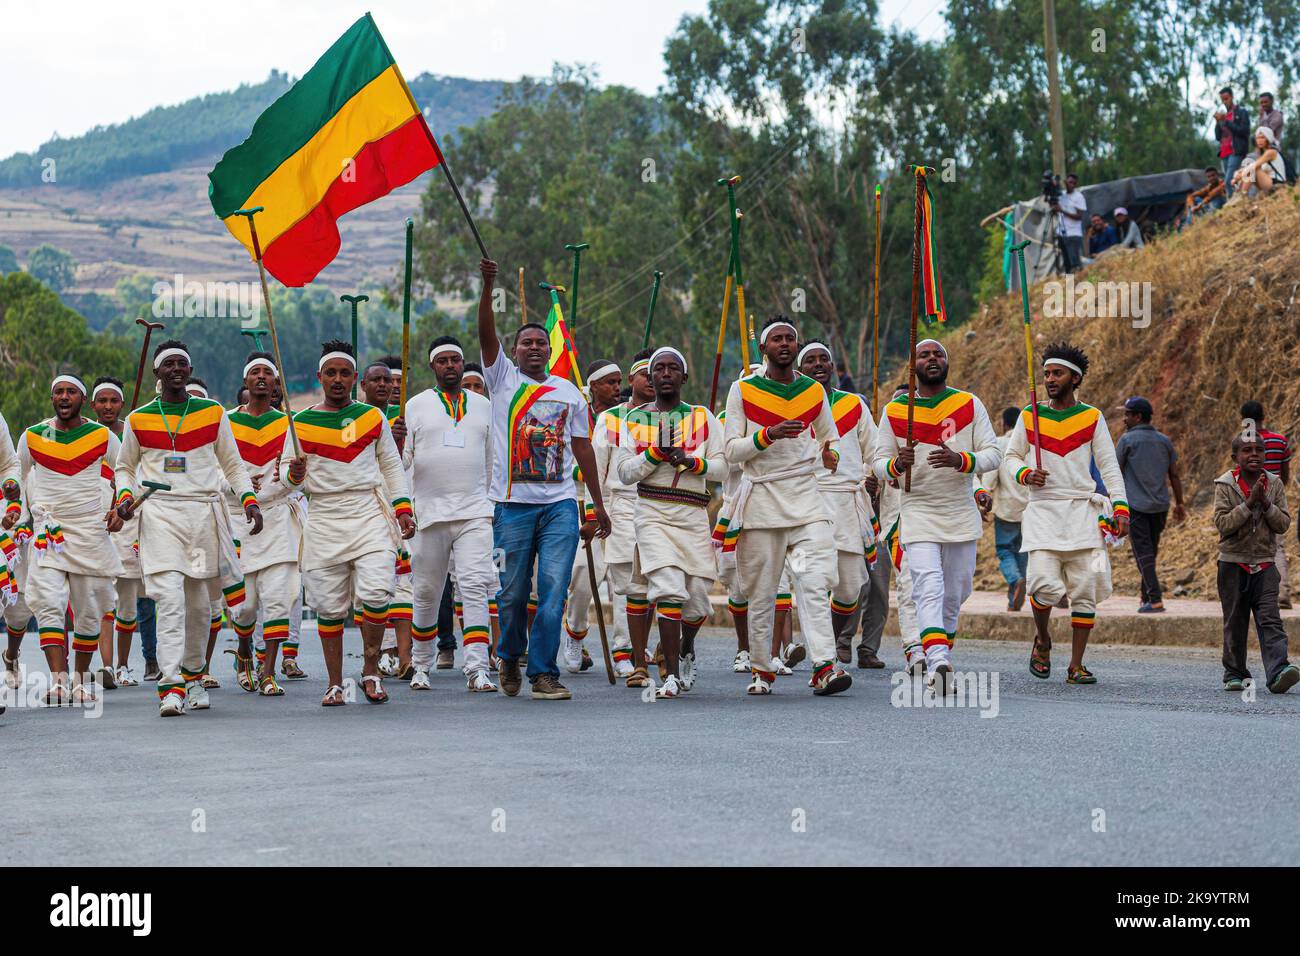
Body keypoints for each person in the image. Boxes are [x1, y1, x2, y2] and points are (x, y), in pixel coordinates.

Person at [474, 258, 609, 701]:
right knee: (512, 593)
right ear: (513, 352)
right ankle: (509, 655)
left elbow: (584, 449)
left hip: (559, 508)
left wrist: (598, 505)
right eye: (525, 343)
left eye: (540, 343)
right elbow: (485, 333)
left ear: (549, 351)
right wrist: (488, 285)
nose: (533, 348)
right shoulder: (501, 380)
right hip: (511, 509)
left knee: (553, 591)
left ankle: (544, 673)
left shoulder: (570, 393)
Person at [114, 340, 263, 717]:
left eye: (183, 364)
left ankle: (194, 676)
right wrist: (125, 496)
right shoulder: (138, 419)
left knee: (199, 606)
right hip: (160, 516)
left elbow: (232, 465)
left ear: (190, 370)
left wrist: (249, 500)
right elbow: (124, 468)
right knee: (169, 599)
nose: (177, 369)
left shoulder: (212, 413)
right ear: (157, 372)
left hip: (202, 516)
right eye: (169, 364)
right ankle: (170, 685)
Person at [717, 316, 851, 697]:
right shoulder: (742, 389)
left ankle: (824, 666)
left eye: (790, 338)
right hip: (762, 507)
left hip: (807, 504)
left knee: (813, 582)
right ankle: (762, 668)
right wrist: (767, 435)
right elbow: (731, 451)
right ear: (764, 348)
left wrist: (831, 457)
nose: (784, 344)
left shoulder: (813, 390)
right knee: (762, 594)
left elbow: (830, 440)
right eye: (776, 339)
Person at [283, 340, 413, 706]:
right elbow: (287, 479)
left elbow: (391, 467)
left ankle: (371, 671)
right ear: (319, 377)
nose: (337, 379)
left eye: (344, 373)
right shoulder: (299, 423)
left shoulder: (371, 417)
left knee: (377, 592)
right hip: (324, 517)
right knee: (329, 606)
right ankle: (335, 683)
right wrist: (294, 474)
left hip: (368, 512)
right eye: (331, 373)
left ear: (355, 378)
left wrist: (403, 508)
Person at [872, 339, 1000, 692]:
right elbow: (878, 462)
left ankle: (939, 651)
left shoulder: (968, 403)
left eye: (938, 354)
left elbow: (993, 453)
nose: (932, 359)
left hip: (959, 511)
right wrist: (896, 464)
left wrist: (962, 460)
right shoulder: (896, 411)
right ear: (912, 366)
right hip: (918, 510)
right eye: (924, 354)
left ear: (947, 362)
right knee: (927, 585)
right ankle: (939, 662)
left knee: (956, 592)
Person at [1006, 343, 1129, 685]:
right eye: (1046, 373)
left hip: (1084, 515)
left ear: (1075, 378)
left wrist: (1121, 507)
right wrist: (1025, 474)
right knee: (1043, 584)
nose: (1049, 379)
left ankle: (1076, 665)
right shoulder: (1030, 415)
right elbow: (1010, 458)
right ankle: (1043, 640)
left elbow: (1109, 466)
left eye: (1057, 373)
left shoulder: (1092, 417)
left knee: (1086, 588)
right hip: (1042, 512)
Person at [614, 347, 723, 698]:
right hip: (653, 513)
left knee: (697, 599)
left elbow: (723, 467)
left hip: (693, 515)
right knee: (668, 587)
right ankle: (671, 676)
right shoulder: (632, 419)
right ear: (649, 376)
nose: (664, 373)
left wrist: (692, 462)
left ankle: (686, 646)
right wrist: (654, 454)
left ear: (684, 377)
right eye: (658, 368)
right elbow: (624, 472)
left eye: (672, 368)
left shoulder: (704, 417)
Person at [13, 374, 123, 703]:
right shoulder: (33, 436)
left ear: (82, 399)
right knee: (48, 605)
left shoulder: (102, 435)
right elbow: (16, 477)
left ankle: (79, 681)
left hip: (90, 533)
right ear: (52, 398)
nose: (64, 397)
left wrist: (121, 507)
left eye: (71, 392)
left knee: (89, 611)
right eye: (58, 392)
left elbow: (126, 471)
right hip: (49, 533)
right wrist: (17, 514)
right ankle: (58, 682)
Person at [403, 335, 498, 693]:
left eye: (455, 360)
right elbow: (403, 462)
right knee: (427, 591)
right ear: (432, 366)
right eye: (442, 361)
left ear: (462, 362)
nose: (450, 366)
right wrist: (396, 444)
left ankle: (477, 668)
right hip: (429, 514)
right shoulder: (415, 405)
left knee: (474, 586)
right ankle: (420, 664)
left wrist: (489, 504)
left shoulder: (484, 405)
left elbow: (491, 461)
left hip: (475, 512)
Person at [797, 342, 881, 666]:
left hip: (847, 502)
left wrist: (875, 475)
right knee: (812, 582)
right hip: (808, 501)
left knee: (849, 588)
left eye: (824, 359)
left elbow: (875, 450)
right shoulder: (791, 405)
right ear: (800, 369)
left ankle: (829, 644)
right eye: (810, 360)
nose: (818, 364)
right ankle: (824, 658)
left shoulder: (854, 404)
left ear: (832, 367)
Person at [223, 352, 301, 696]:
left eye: (267, 373)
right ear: (245, 381)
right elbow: (215, 470)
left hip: (277, 516)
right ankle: (243, 651)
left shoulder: (289, 424)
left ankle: (268, 672)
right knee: (244, 606)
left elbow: (292, 475)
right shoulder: (225, 422)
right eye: (254, 372)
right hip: (237, 518)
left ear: (275, 383)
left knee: (278, 596)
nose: (261, 377)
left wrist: (293, 475)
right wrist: (238, 487)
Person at [1213, 433, 1298, 694]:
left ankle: (1278, 671)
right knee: (1235, 621)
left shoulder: (1274, 484)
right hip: (1232, 563)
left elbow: (1283, 524)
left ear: (1265, 455)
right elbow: (1223, 524)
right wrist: (1249, 503)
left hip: (1264, 563)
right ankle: (1234, 673)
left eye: (1259, 450)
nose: (1254, 455)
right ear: (1235, 457)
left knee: (1270, 619)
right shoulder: (1225, 485)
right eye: (1247, 450)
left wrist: (1266, 503)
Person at [563, 358, 623, 675]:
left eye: (619, 382)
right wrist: (590, 471)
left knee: (627, 581)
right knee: (585, 575)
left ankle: (627, 649)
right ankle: (575, 635)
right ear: (594, 386)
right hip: (578, 504)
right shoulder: (576, 416)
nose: (617, 388)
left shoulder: (626, 417)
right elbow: (564, 462)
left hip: (621, 504)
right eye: (611, 382)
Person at [90, 376, 143, 687]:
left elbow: (143, 474)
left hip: (127, 523)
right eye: (102, 401)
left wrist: (125, 486)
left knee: (127, 601)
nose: (108, 406)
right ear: (93, 405)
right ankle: (107, 666)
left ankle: (124, 666)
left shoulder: (134, 434)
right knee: (102, 598)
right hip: (94, 523)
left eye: (113, 401)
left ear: (122, 404)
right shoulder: (86, 434)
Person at [1116, 396, 1186, 613]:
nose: (1124, 419)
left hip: (1136, 506)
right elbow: (1174, 475)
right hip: (1160, 506)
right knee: (1149, 552)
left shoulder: (1126, 441)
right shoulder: (1164, 441)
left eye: (1127, 414)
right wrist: (1180, 503)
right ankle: (1145, 596)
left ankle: (1155, 599)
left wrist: (1112, 502)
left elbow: (1115, 472)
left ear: (1138, 417)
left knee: (1143, 553)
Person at [1241, 400, 1291, 607]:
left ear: (1244, 420)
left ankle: (1252, 593)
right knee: (1276, 546)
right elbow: (1285, 474)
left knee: (1248, 545)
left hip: (1250, 497)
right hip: (1274, 498)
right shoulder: (1280, 441)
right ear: (1264, 416)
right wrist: (1276, 490)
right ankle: (1282, 594)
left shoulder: (1243, 442)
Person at [984, 406, 1030, 611]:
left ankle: (1015, 580)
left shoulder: (1000, 444)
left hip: (1006, 510)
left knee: (1004, 550)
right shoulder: (1030, 446)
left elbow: (989, 477)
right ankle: (1014, 601)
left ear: (1004, 424)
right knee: (1022, 553)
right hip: (1028, 511)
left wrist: (984, 498)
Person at [1214, 87, 1251, 197]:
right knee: (1233, 182)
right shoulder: (1224, 115)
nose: (1224, 101)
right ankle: (1239, 201)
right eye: (1222, 99)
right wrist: (1218, 122)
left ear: (1232, 97)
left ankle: (1232, 204)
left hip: (1236, 151)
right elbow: (1218, 137)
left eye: (1226, 98)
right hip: (1224, 153)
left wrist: (1226, 121)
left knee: (1228, 182)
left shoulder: (1241, 112)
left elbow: (1244, 131)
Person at [1232, 127, 1287, 197]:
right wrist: (1238, 173)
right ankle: (1239, 194)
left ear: (1268, 138)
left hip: (1277, 184)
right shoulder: (1263, 154)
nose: (1259, 140)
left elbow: (1253, 166)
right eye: (1258, 138)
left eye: (1262, 137)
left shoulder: (1271, 152)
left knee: (1254, 169)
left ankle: (1241, 196)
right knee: (1249, 172)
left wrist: (1238, 176)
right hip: (1268, 182)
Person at [1051, 173, 1086, 273]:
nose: (1072, 185)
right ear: (1065, 182)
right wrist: (1055, 209)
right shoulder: (1061, 195)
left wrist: (1062, 211)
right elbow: (1056, 213)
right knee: (1067, 264)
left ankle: (1078, 281)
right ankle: (1069, 282)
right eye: (1070, 182)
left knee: (1075, 264)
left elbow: (1079, 216)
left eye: (1074, 183)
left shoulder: (1078, 196)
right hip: (1062, 233)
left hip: (1073, 235)